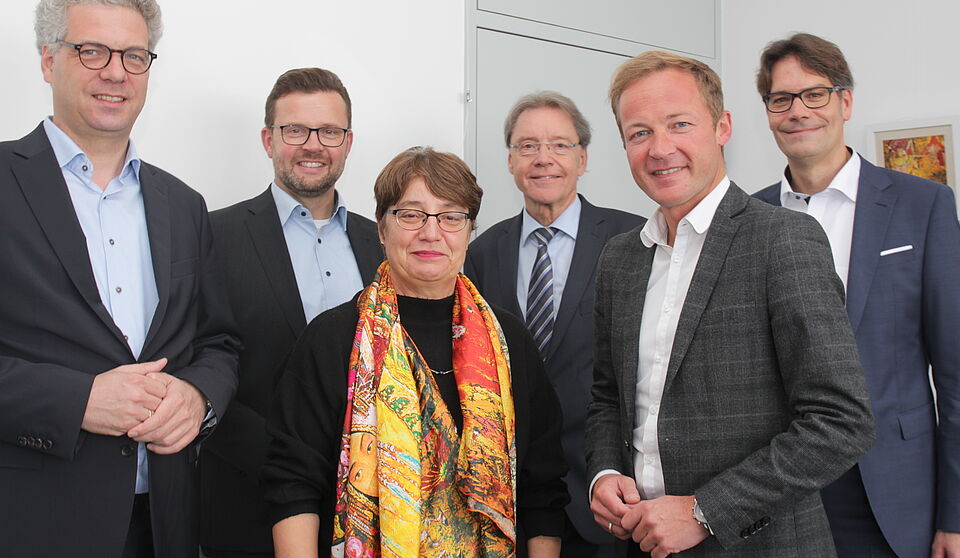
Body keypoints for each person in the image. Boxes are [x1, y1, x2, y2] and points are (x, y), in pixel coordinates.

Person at [584, 50, 875, 557]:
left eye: (680, 124)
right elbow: (610, 398)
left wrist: (704, 510)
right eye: (639, 133)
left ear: (723, 127)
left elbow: (840, 422)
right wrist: (605, 471)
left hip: (762, 545)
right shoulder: (621, 258)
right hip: (640, 543)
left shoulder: (783, 239)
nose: (660, 148)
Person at [0, 1, 240, 556]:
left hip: (165, 523)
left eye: (135, 56)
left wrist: (198, 396)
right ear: (47, 61)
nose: (115, 72)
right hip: (32, 521)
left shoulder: (184, 204)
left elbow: (219, 342)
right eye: (92, 51)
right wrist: (76, 399)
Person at [262, 146, 569, 557]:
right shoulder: (333, 338)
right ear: (381, 229)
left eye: (451, 216)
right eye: (410, 214)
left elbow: (542, 485)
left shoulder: (509, 340)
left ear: (469, 230)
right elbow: (293, 482)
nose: (431, 232)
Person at [752, 33, 960, 558]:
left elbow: (959, 379)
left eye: (814, 94)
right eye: (781, 99)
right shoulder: (749, 218)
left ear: (845, 101)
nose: (798, 111)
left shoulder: (921, 205)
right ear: (767, 112)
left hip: (894, 492)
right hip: (781, 489)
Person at [198, 67, 383, 558]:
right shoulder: (213, 235)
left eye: (329, 131)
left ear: (347, 141)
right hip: (248, 500)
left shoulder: (383, 243)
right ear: (268, 139)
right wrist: (289, 462)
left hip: (374, 509)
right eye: (295, 130)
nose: (313, 145)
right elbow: (199, 362)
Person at [465, 91, 643, 558]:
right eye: (528, 146)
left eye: (560, 145)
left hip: (606, 496)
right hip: (509, 499)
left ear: (583, 158)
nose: (543, 158)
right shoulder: (482, 253)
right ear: (509, 160)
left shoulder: (633, 240)